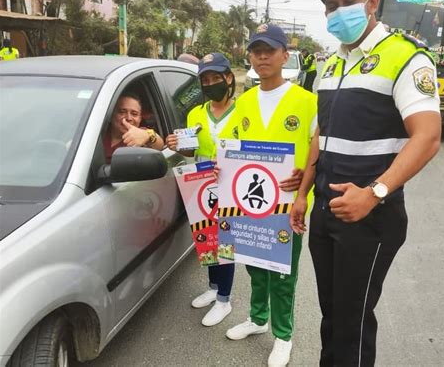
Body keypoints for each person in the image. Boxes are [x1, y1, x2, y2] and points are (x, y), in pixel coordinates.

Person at [290, 0, 441, 366]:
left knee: (352, 322)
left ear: (372, 2)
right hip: (325, 212)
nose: (339, 12)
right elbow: (320, 135)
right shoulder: (331, 63)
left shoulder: (406, 57)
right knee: (331, 316)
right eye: (331, 6)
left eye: (349, 1)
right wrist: (303, 192)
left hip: (369, 217)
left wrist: (374, 194)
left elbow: (427, 137)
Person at [221, 24, 318, 367]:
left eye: (269, 50)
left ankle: (283, 335)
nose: (262, 56)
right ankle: (258, 319)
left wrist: (304, 184)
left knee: (282, 274)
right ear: (249, 56)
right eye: (256, 50)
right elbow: (231, 149)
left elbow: (318, 153)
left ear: (284, 55)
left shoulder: (307, 102)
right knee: (255, 268)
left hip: (286, 206)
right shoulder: (244, 102)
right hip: (248, 203)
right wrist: (222, 169)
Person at [166, 52, 237, 327]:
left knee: (225, 245)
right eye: (205, 80)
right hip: (201, 184)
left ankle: (225, 300)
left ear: (229, 78)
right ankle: (213, 287)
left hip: (230, 187)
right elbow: (190, 149)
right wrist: (176, 144)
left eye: (215, 78)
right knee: (206, 240)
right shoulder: (196, 113)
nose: (210, 84)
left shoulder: (243, 112)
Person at [104, 93, 164, 163]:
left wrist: (148, 135)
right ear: (111, 115)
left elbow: (159, 145)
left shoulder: (141, 134)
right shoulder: (97, 131)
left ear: (140, 119)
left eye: (134, 114)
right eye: (122, 112)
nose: (128, 118)